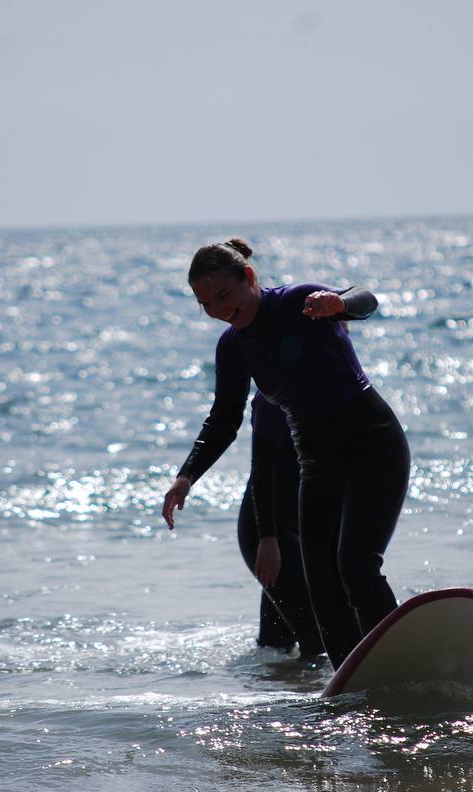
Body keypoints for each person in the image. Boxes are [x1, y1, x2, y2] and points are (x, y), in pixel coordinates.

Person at [162, 238, 411, 669]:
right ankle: (352, 680)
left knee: (355, 566)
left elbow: (366, 300)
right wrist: (186, 476)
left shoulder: (300, 302)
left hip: (372, 443)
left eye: (224, 295)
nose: (218, 309)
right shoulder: (233, 347)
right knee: (322, 585)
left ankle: (402, 657)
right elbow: (224, 419)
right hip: (316, 462)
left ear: (249, 277)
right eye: (206, 305)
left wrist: (339, 303)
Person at [239, 391, 324, 661]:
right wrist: (267, 538)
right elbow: (261, 470)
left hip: (295, 528)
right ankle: (331, 689)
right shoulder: (271, 399)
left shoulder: (321, 390)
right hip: (269, 533)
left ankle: (268, 685)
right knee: (318, 640)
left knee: (275, 647)